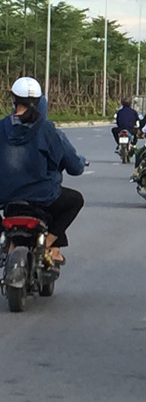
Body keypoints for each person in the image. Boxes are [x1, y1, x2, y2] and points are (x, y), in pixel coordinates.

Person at [0, 77, 86, 266]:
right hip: (42, 197)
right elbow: (73, 166)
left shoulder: (1, 126)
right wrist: (80, 163)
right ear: (40, 102)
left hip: (6, 198)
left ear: (13, 100)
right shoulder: (48, 130)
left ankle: (8, 244)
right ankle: (47, 245)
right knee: (74, 200)